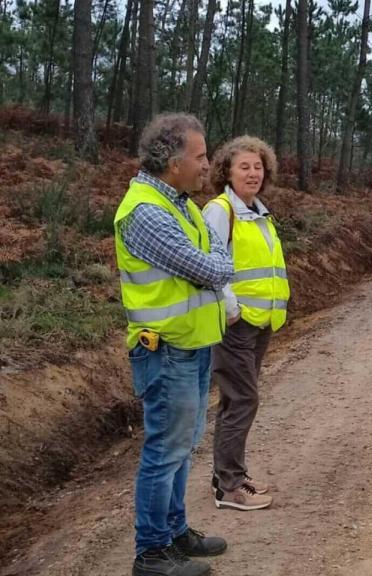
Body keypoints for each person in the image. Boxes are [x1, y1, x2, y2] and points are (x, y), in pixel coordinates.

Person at [114, 113, 233, 576]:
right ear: (171, 160)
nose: (207, 165)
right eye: (200, 156)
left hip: (192, 345)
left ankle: (175, 531)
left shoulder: (180, 205)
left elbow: (216, 258)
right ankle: (151, 552)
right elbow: (212, 268)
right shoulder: (145, 211)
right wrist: (218, 259)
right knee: (165, 451)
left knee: (182, 447)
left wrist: (216, 259)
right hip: (165, 351)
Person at [203, 136, 289, 511]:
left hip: (259, 322)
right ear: (227, 171)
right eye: (244, 167)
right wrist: (231, 309)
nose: (253, 173)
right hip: (236, 323)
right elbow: (211, 263)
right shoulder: (221, 211)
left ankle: (227, 474)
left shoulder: (258, 212)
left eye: (258, 167)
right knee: (243, 399)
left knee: (235, 400)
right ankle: (230, 487)